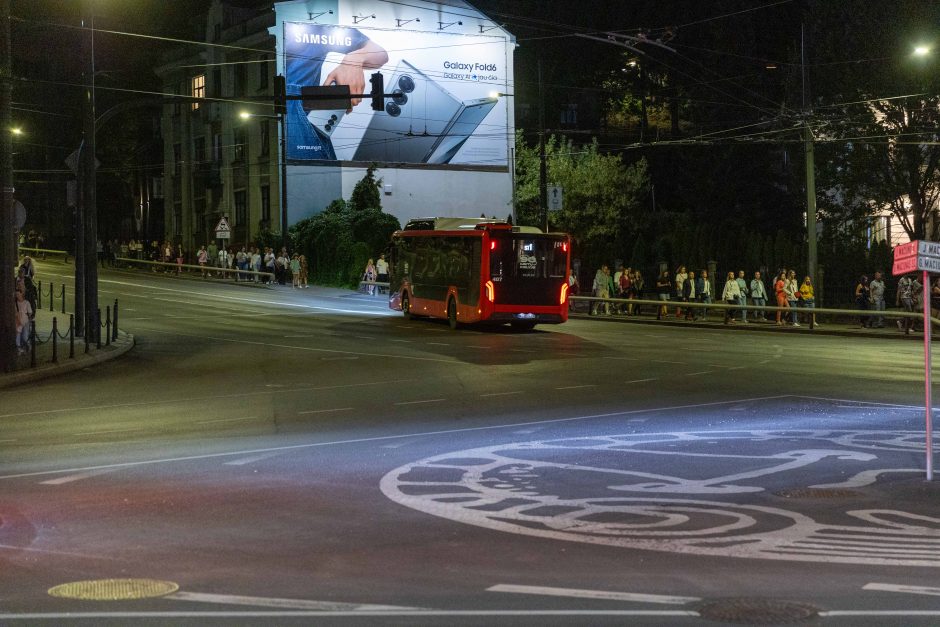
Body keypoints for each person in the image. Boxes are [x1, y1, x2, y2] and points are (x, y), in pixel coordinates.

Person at [14, 289, 33, 355]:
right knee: (18, 335)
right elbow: (15, 313)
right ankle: (19, 349)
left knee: (25, 337)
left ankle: (28, 345)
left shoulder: (26, 302)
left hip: (25, 321)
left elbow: (30, 312)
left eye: (18, 294)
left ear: (21, 294)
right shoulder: (15, 303)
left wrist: (28, 320)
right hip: (18, 321)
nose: (17, 296)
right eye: (16, 294)